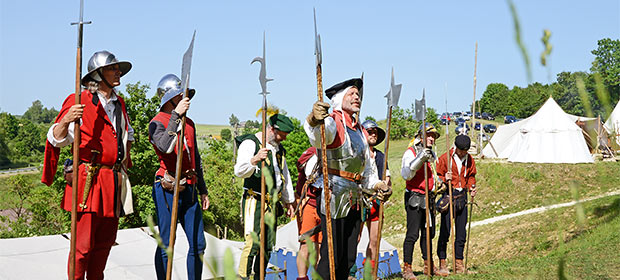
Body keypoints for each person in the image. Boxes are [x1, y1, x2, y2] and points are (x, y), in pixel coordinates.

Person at [42, 50, 134, 280]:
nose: (118, 72)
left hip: (112, 179)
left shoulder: (119, 103)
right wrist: (66, 119)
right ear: (98, 74)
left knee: (104, 245)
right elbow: (55, 138)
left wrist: (121, 163)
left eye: (118, 68)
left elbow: (128, 136)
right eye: (113, 68)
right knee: (82, 248)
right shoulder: (79, 101)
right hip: (88, 180)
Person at [304, 78, 389, 280]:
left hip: (355, 197)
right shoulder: (333, 121)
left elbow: (366, 168)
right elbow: (319, 136)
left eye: (358, 94)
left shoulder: (359, 129)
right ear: (340, 98)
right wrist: (314, 119)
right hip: (334, 194)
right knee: (331, 256)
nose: (356, 97)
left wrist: (377, 184)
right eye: (351, 93)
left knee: (348, 257)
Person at [148, 74, 210, 280]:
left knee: (199, 244)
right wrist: (175, 117)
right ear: (170, 98)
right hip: (167, 186)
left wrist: (203, 189)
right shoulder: (156, 123)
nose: (187, 99)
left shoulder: (190, 123)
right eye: (181, 95)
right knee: (167, 243)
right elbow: (165, 147)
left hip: (190, 187)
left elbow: (196, 158)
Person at [234, 114, 296, 280]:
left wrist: (289, 201)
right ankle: (243, 277)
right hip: (255, 199)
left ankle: (259, 277)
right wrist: (254, 160)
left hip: (273, 203)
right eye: (281, 135)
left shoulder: (278, 150)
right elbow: (239, 170)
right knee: (252, 243)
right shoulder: (251, 143)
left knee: (267, 246)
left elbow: (284, 175)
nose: (283, 139)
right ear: (271, 129)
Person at [400, 123, 442, 280]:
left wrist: (440, 185)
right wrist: (420, 158)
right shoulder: (411, 152)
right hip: (415, 198)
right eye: (429, 135)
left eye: (433, 136)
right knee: (412, 234)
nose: (431, 138)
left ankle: (428, 266)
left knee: (428, 234)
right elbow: (407, 174)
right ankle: (407, 268)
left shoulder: (432, 154)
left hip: (429, 198)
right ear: (421, 136)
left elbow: (433, 176)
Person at [435, 135, 477, 274]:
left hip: (462, 197)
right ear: (456, 148)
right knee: (445, 232)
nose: (463, 153)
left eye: (465, 150)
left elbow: (471, 175)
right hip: (449, 196)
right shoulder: (445, 158)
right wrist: (443, 178)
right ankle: (442, 262)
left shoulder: (469, 159)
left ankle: (458, 264)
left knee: (461, 233)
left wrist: (472, 186)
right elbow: (437, 176)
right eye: (461, 150)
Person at [360, 119, 391, 273]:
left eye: (375, 132)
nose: (373, 134)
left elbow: (387, 178)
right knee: (354, 240)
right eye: (370, 131)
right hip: (358, 200)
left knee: (375, 240)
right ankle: (350, 274)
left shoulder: (380, 156)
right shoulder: (358, 153)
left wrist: (385, 189)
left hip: (375, 201)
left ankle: (370, 273)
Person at [294, 147, 321, 280]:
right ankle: (302, 277)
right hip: (309, 202)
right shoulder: (312, 152)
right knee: (306, 244)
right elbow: (303, 173)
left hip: (326, 206)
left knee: (321, 248)